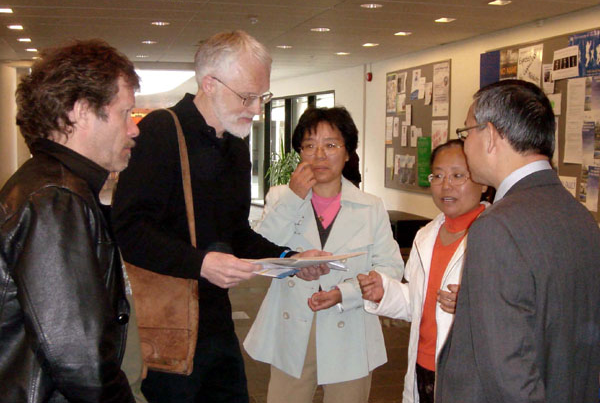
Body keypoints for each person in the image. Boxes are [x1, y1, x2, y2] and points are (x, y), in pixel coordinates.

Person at [111, 30, 327, 403]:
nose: (257, 109)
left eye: (262, 97)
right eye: (247, 96)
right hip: (166, 327)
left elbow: (237, 233)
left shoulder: (235, 148)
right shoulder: (161, 132)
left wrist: (290, 259)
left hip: (216, 324)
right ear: (209, 84)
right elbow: (129, 230)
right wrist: (201, 263)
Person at [436, 79, 600, 403]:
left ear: (490, 135)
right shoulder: (580, 216)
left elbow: (507, 371)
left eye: (466, 132)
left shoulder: (497, 227)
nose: (465, 145)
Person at [0, 39, 139, 402]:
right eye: (125, 113)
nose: (134, 129)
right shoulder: (55, 198)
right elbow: (79, 358)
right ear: (80, 111)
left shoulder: (52, 186)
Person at [244, 106, 404, 403]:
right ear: (300, 152)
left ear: (348, 152)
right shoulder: (281, 197)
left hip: (350, 327)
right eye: (309, 146)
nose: (319, 155)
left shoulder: (370, 206)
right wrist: (293, 198)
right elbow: (259, 254)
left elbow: (390, 267)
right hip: (292, 326)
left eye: (330, 145)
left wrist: (346, 293)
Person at [357, 139, 490, 403]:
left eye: (458, 175)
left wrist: (472, 305)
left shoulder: (496, 236)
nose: (446, 185)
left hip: (471, 373)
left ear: (483, 180)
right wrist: (385, 292)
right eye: (438, 176)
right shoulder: (426, 236)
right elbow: (417, 304)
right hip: (424, 365)